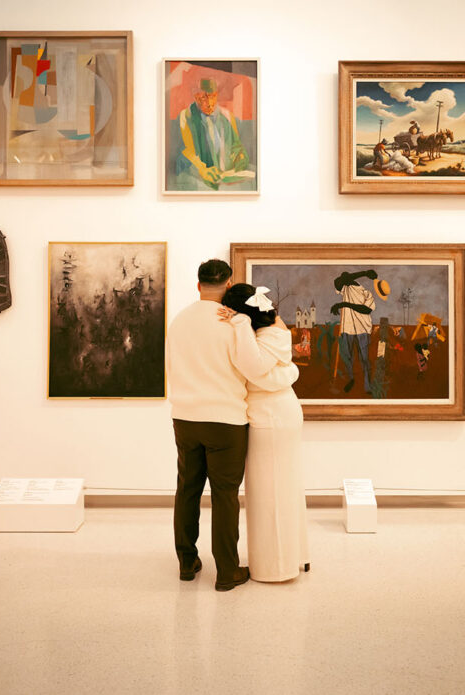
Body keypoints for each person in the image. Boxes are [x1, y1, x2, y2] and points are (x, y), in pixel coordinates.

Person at [166, 259, 296, 592]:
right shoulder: (236, 323)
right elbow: (254, 368)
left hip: (184, 418)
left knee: (188, 489)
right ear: (228, 284)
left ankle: (186, 562)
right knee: (225, 496)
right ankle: (226, 571)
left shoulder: (178, 321)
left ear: (198, 285)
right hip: (225, 420)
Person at [218, 284, 309, 583]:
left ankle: (275, 568)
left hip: (271, 418)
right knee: (282, 486)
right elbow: (275, 373)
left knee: (268, 492)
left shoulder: (263, 333)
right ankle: (294, 556)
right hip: (278, 414)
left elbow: (254, 368)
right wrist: (289, 374)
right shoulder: (272, 329)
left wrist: (239, 322)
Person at [175, 77, 250, 191]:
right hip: (199, 175)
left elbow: (237, 146)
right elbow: (188, 151)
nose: (209, 104)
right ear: (196, 98)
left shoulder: (227, 115)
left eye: (213, 97)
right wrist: (202, 169)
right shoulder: (186, 116)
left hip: (226, 175)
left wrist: (241, 157)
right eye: (203, 98)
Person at [330, 270, 380, 394]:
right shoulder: (345, 288)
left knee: (364, 359)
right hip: (347, 328)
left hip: (363, 329)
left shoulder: (366, 293)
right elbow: (338, 282)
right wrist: (364, 273)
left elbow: (365, 310)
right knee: (348, 357)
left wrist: (344, 304)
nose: (343, 280)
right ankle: (351, 379)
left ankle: (368, 385)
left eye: (345, 278)